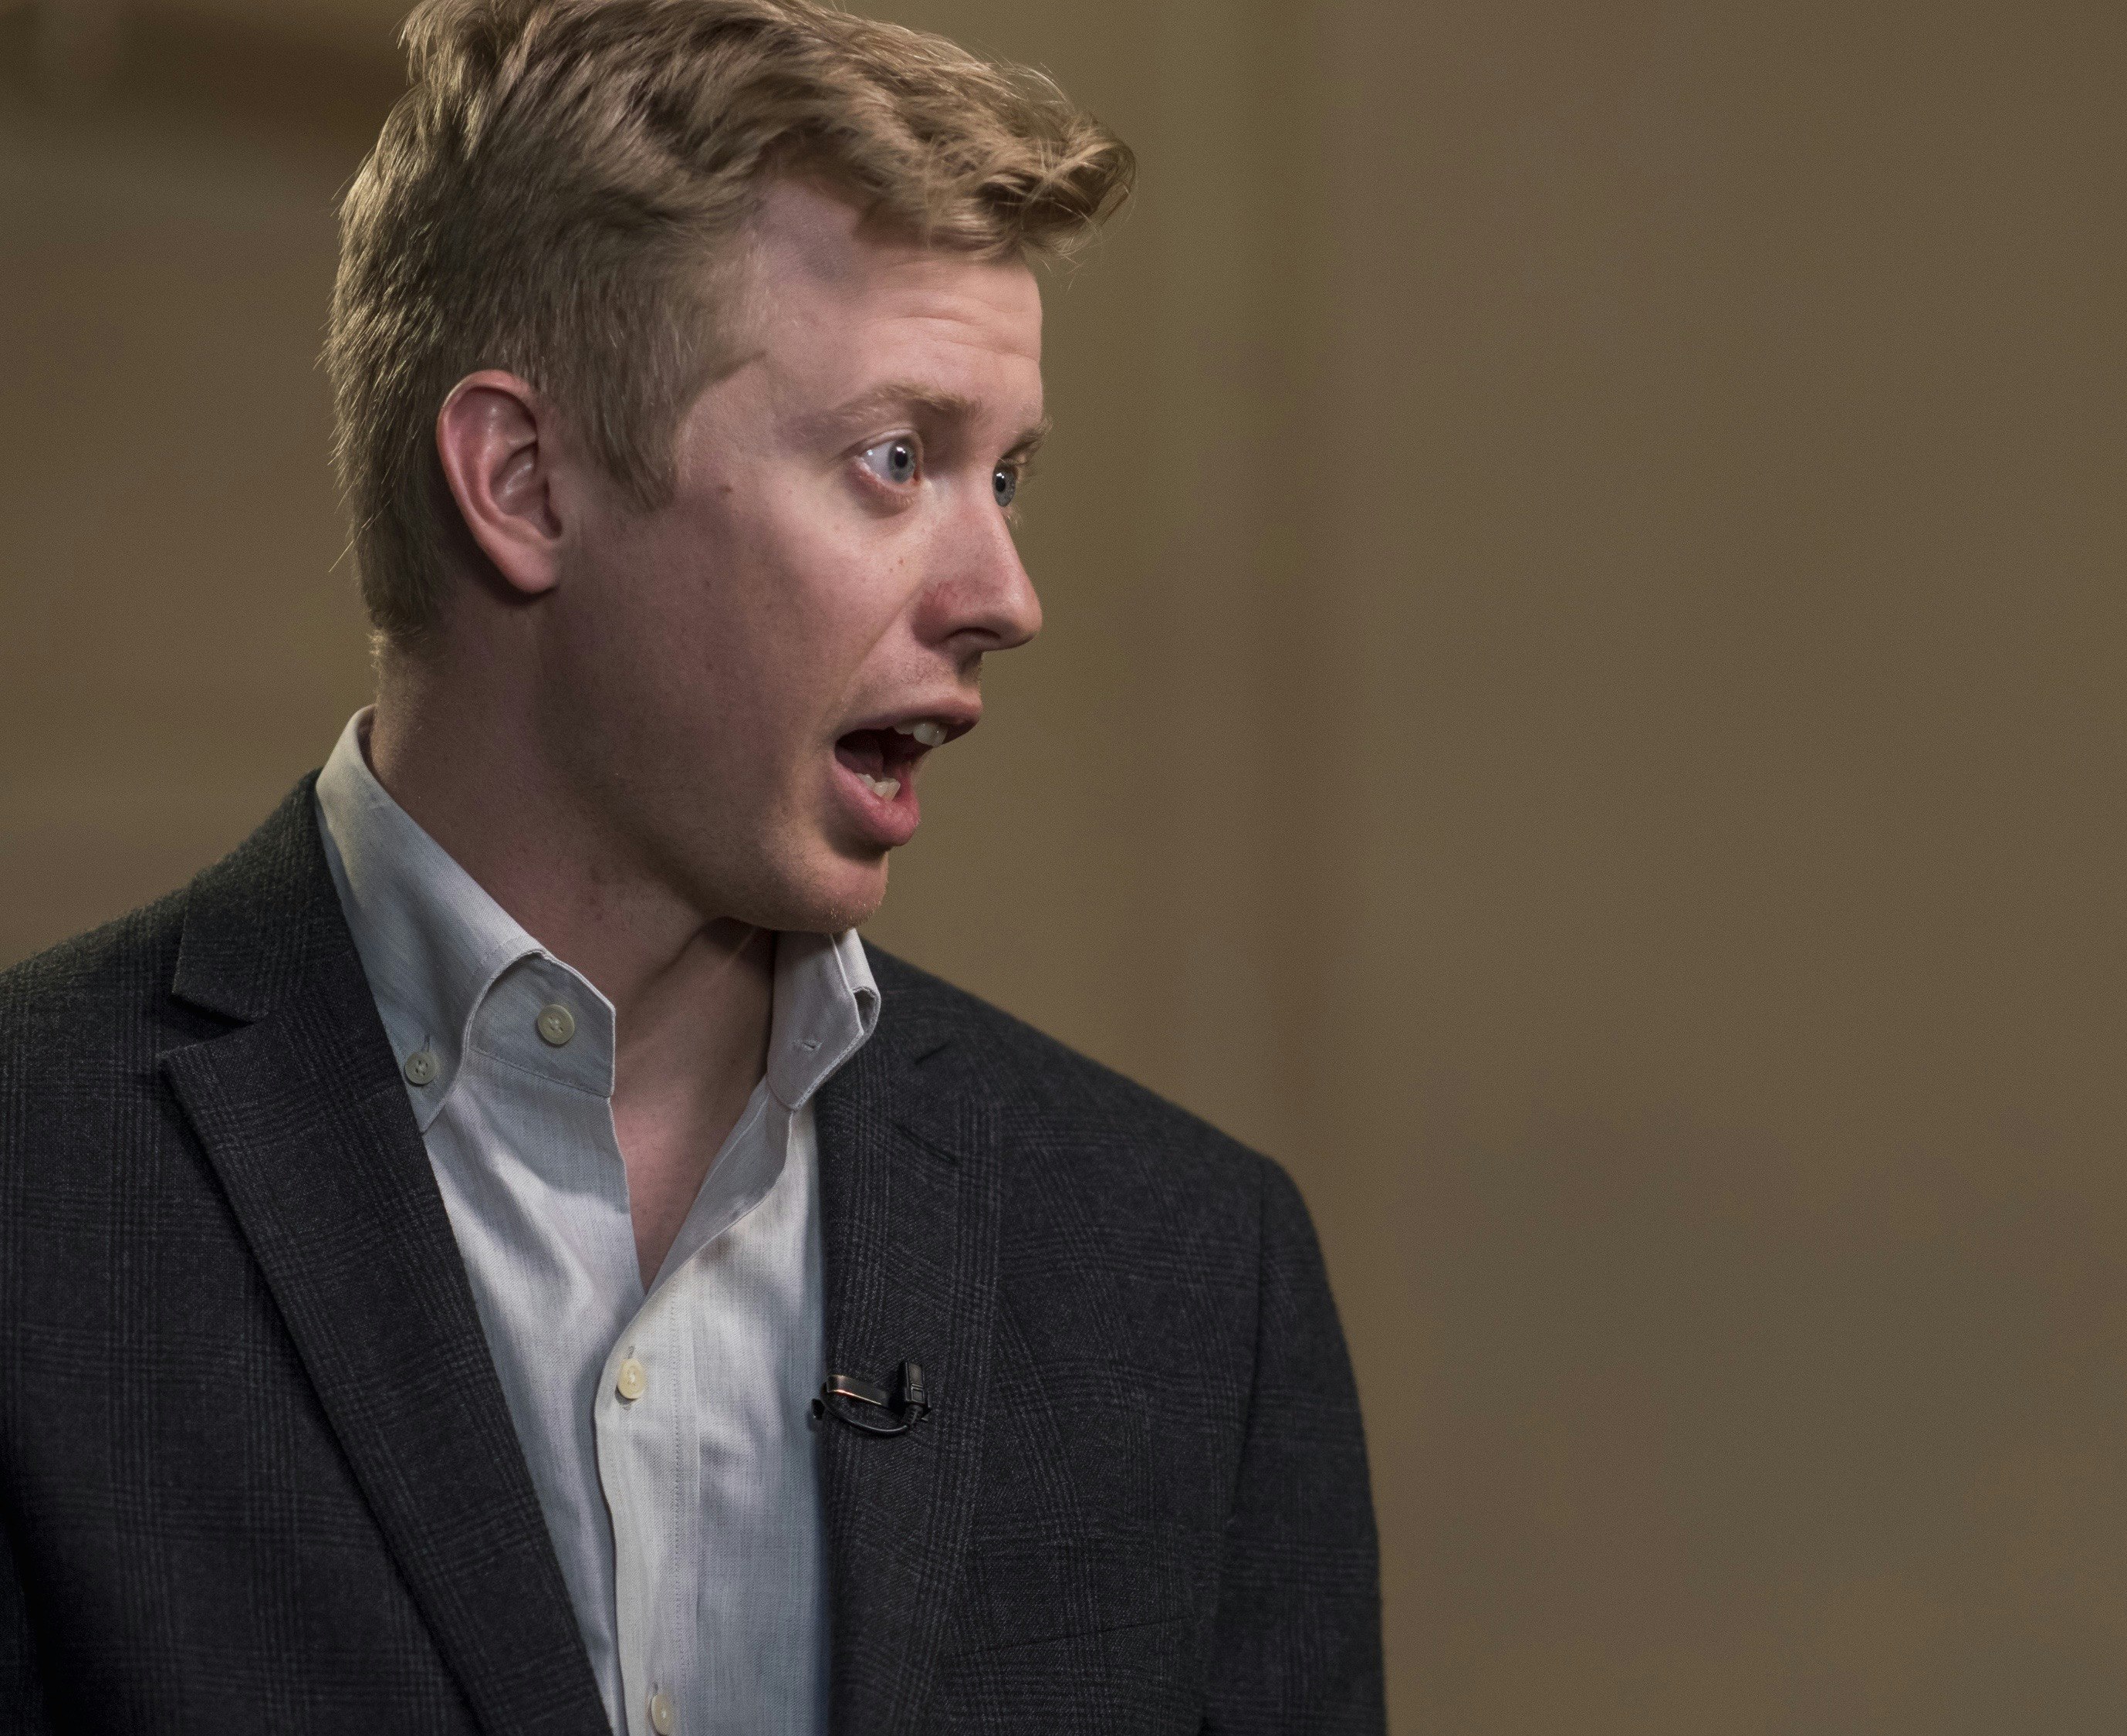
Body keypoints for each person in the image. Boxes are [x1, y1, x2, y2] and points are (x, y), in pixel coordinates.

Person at [0, 1, 1381, 1730]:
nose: (1004, 595)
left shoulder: (1189, 1279)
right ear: (523, 482)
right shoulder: (36, 1194)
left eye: (1006, 474)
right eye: (898, 458)